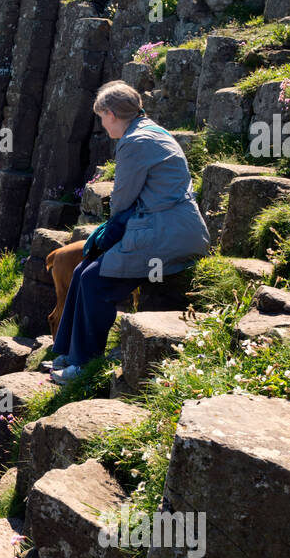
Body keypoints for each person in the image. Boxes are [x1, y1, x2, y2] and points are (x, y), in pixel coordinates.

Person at [48, 82, 210, 386]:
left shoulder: (134, 142)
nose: (102, 124)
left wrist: (106, 236)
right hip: (170, 227)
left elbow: (122, 200)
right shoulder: (152, 131)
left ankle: (83, 364)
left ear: (110, 114)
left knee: (94, 280)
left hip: (167, 236)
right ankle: (68, 352)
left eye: (101, 117)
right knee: (84, 271)